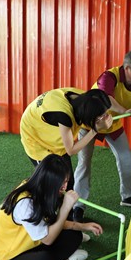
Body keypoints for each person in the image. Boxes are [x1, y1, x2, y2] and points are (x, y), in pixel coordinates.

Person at [0, 154, 104, 260]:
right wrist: (65, 207)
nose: (65, 187)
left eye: (66, 181)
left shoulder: (39, 189)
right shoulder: (25, 204)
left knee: (74, 235)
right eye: (62, 182)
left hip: (28, 249)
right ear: (50, 181)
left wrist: (83, 226)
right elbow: (48, 239)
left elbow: (51, 222)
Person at [73, 50, 131, 215]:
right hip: (90, 123)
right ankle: (78, 204)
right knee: (84, 163)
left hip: (113, 125)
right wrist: (126, 110)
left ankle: (128, 196)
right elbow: (105, 98)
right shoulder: (109, 76)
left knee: (126, 158)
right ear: (127, 68)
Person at [20, 87, 113, 222]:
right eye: (102, 115)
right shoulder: (64, 115)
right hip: (37, 140)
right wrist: (95, 130)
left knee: (68, 182)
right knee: (54, 185)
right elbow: (71, 150)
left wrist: (125, 111)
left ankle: (68, 222)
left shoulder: (84, 98)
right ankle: (47, 222)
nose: (106, 117)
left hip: (53, 137)